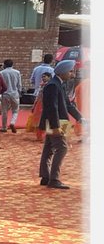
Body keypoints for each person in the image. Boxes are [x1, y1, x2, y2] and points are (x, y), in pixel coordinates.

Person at [37, 58, 85, 189]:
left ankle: (46, 177)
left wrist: (80, 118)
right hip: (57, 122)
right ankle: (54, 179)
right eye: (70, 71)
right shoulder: (53, 85)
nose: (72, 74)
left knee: (49, 148)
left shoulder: (59, 84)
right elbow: (51, 107)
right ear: (63, 71)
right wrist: (55, 126)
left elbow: (68, 105)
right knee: (62, 148)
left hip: (60, 121)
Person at [0, 59, 23, 133]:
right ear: (12, 64)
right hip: (14, 93)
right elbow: (19, 84)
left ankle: (4, 127)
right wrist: (19, 91)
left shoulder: (1, 73)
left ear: (4, 65)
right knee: (15, 110)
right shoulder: (17, 72)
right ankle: (12, 122)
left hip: (5, 93)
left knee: (4, 111)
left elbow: (0, 84)